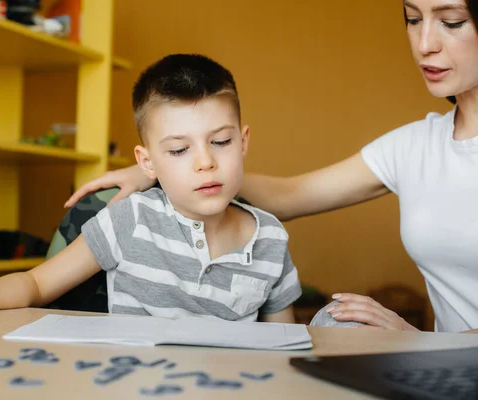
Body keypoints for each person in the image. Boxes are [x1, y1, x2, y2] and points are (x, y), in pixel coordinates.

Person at [63, 0, 478, 334]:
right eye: (412, 18)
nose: (425, 43)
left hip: (441, 356)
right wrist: (161, 173)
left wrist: (416, 343)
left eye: (452, 21)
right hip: (443, 365)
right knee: (340, 323)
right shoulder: (416, 145)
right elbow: (290, 195)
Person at [0, 54, 302, 324]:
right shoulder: (128, 220)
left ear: (243, 142)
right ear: (146, 162)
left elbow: (281, 350)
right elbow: (36, 285)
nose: (205, 161)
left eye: (222, 142)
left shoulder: (271, 239)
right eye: (178, 149)